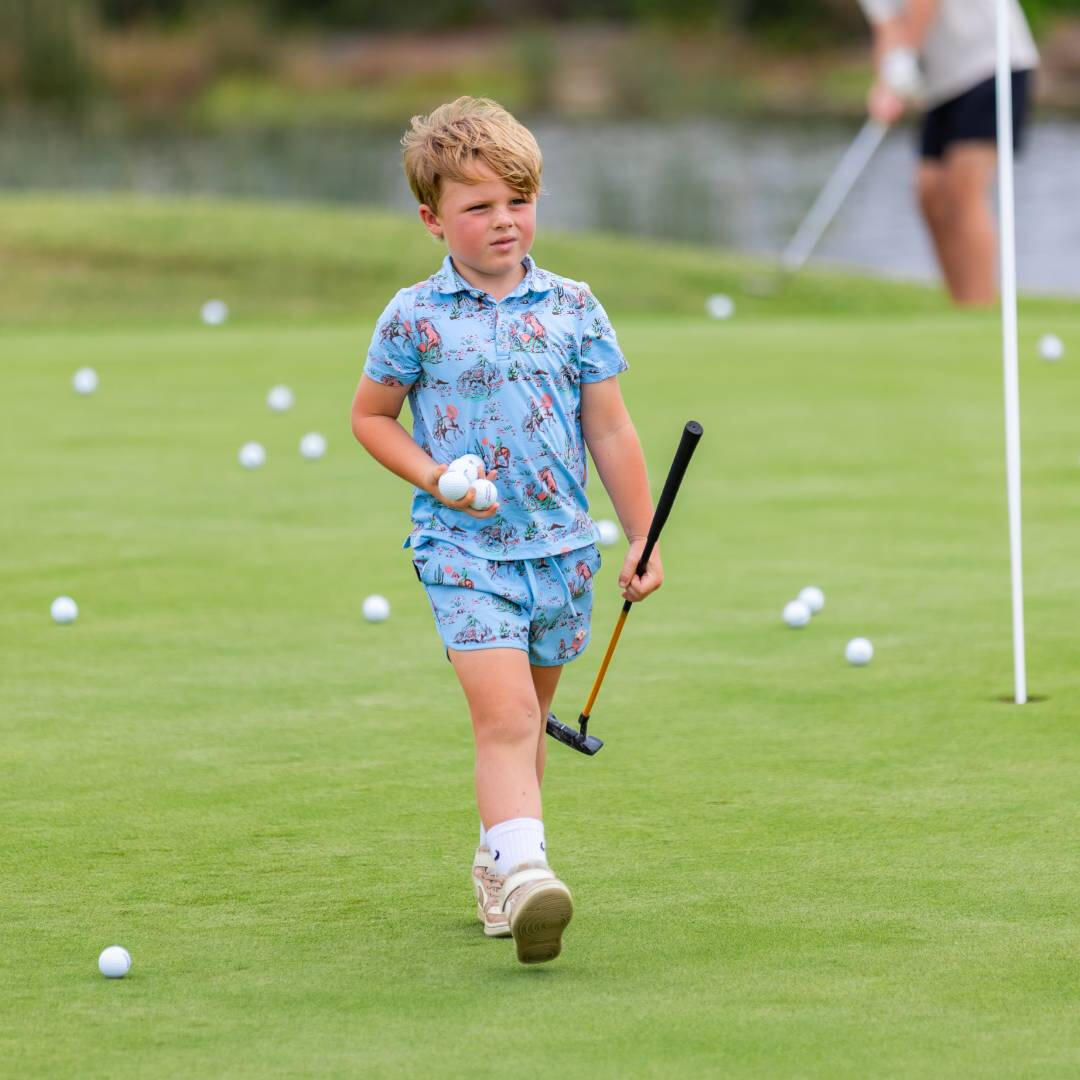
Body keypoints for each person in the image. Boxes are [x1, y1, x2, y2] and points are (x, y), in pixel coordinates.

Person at [350, 97, 662, 965]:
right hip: (463, 551)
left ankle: (499, 862)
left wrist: (639, 534)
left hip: (561, 552)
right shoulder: (414, 314)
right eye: (478, 206)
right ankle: (529, 872)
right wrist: (434, 477)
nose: (503, 222)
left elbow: (611, 428)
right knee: (507, 718)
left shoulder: (575, 305)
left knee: (531, 724)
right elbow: (372, 417)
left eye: (517, 201)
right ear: (431, 218)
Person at [859, 0, 1038, 305]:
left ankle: (979, 308)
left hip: (993, 62)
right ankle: (961, 305)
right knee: (929, 192)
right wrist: (885, 83)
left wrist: (905, 56)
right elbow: (887, 27)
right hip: (942, 86)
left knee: (963, 190)